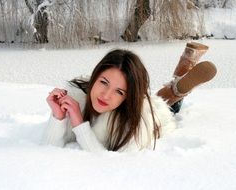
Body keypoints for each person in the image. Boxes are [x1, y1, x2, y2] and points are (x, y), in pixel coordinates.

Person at [43, 42, 217, 152]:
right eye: (103, 82)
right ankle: (184, 68)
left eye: (119, 92)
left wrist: (79, 124)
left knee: (169, 106)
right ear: (94, 76)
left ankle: (180, 83)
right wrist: (58, 117)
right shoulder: (77, 96)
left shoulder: (137, 121)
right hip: (138, 97)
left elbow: (102, 161)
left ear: (128, 97)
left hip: (157, 120)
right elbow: (49, 148)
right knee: (160, 96)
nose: (106, 95)